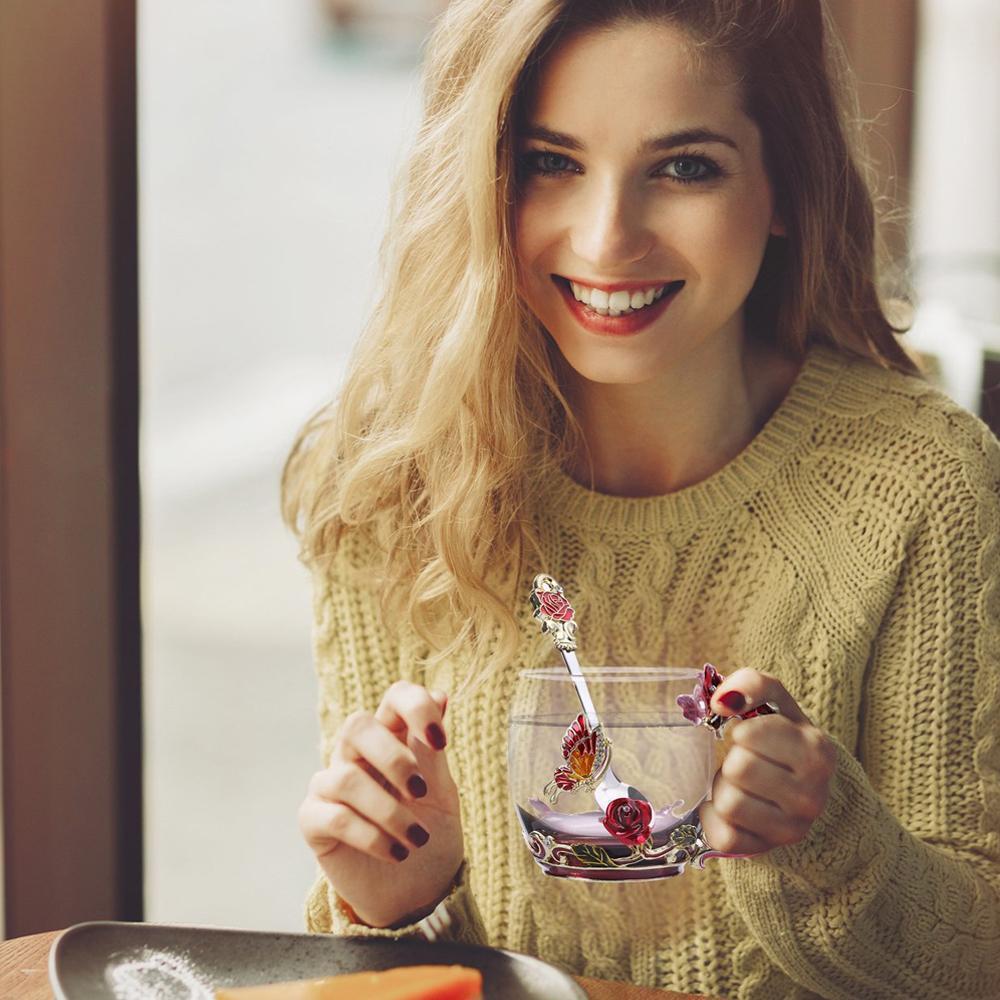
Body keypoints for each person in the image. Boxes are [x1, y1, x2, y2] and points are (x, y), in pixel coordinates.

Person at [281, 1, 1000, 996]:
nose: (607, 237)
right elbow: (386, 968)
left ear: (787, 183)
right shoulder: (390, 478)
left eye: (684, 166)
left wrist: (828, 844)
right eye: (552, 161)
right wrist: (402, 903)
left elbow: (979, 960)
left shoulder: (920, 481)